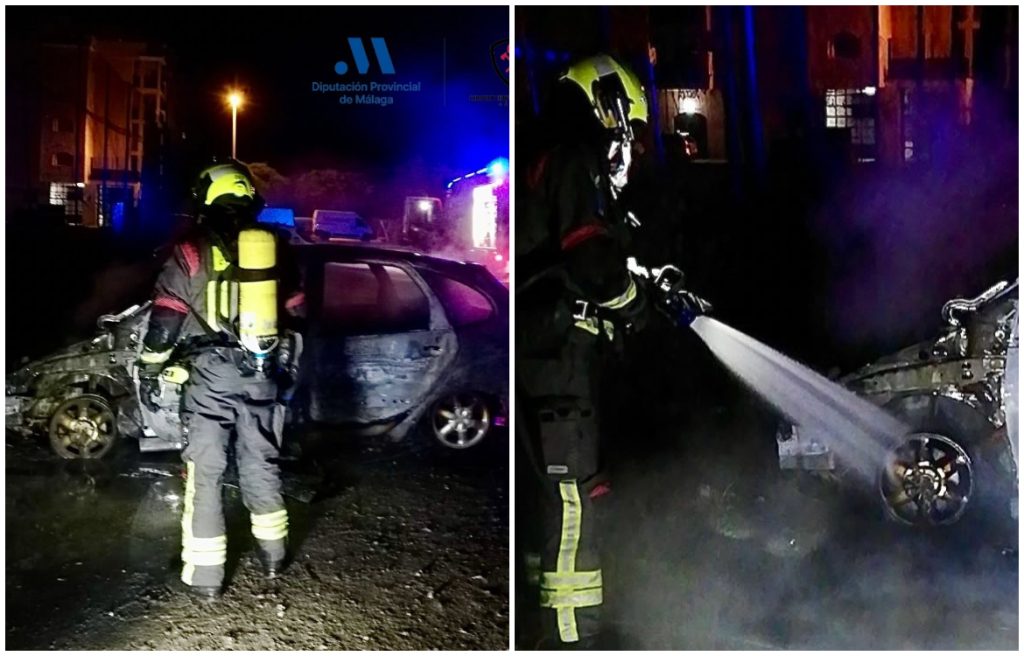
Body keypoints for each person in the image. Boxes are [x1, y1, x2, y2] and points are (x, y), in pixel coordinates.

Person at [516, 54, 652, 648]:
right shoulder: (576, 158)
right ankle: (575, 638)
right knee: (573, 504)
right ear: (609, 103)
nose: (630, 146)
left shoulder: (550, 155)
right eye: (630, 129)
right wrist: (635, 305)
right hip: (560, 363)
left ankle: (548, 623)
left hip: (548, 359)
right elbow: (592, 259)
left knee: (556, 499)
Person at [136, 160, 305, 600]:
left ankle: (205, 579)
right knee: (261, 463)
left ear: (205, 199)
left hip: (211, 378)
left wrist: (151, 367)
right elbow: (300, 313)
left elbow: (165, 322)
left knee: (206, 474)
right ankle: (273, 557)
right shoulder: (279, 248)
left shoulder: (191, 250)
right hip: (264, 374)